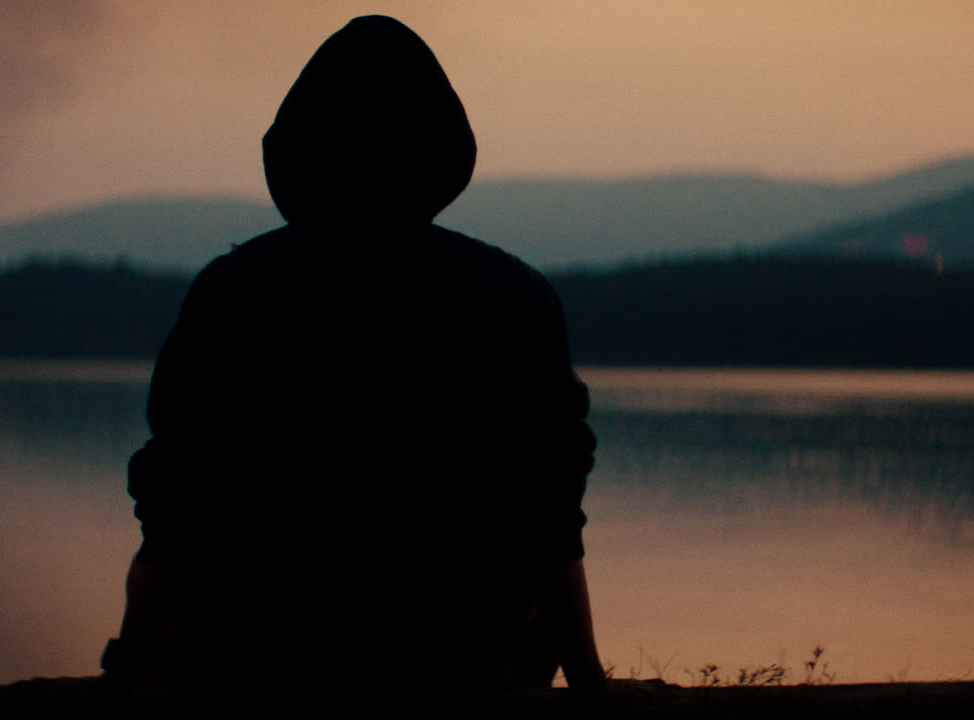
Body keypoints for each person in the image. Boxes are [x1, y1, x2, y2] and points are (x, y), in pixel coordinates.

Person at [103, 14, 603, 710]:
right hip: (447, 655)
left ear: (294, 153)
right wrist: (590, 680)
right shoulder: (514, 295)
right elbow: (548, 516)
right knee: (531, 614)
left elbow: (174, 511)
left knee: (176, 621)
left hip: (257, 652)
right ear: (443, 153)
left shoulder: (233, 289)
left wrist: (126, 665)